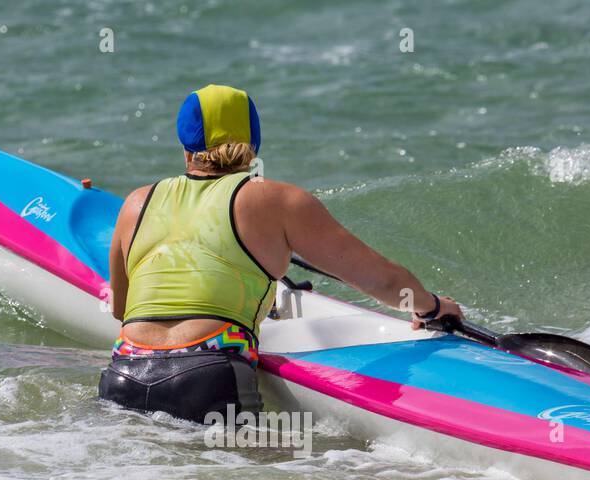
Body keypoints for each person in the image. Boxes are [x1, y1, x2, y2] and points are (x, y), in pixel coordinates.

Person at [100, 83, 463, 423]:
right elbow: (379, 278)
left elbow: (121, 308)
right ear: (253, 142)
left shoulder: (137, 201)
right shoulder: (273, 199)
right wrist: (430, 306)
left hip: (124, 374)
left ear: (184, 145)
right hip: (206, 375)